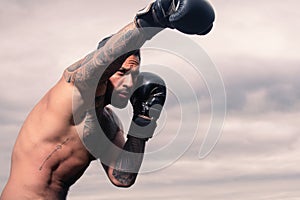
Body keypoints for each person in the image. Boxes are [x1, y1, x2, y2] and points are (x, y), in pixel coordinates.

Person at [0, 0, 215, 199]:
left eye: (135, 76)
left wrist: (142, 122)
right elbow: (96, 68)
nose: (129, 83)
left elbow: (122, 177)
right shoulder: (71, 94)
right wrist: (152, 21)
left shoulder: (107, 125)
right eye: (121, 73)